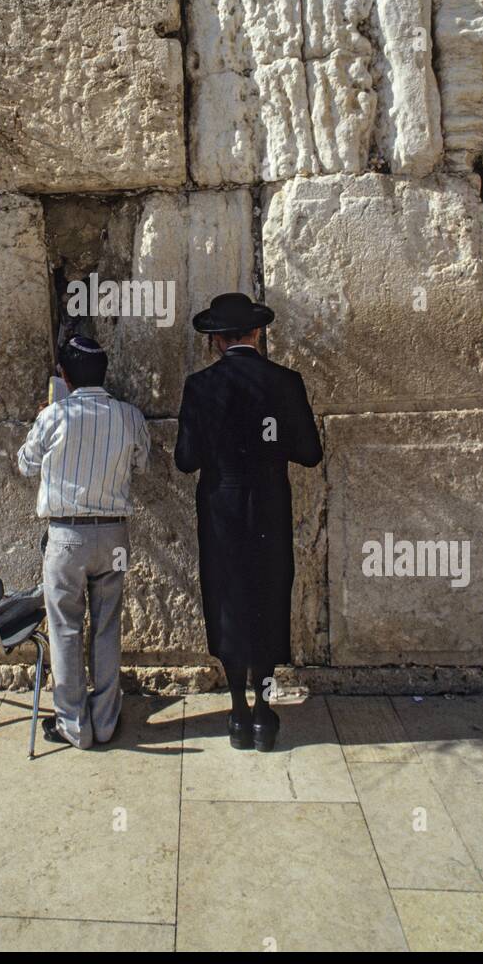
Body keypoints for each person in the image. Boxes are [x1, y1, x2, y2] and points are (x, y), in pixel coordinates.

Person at [174, 293, 322, 751]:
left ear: (216, 339)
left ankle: (237, 712)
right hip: (270, 506)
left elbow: (185, 460)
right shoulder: (286, 382)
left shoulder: (200, 387)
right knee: (267, 594)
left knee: (229, 598)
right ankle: (263, 712)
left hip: (222, 509)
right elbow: (310, 453)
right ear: (256, 333)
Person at [17, 334, 150, 749]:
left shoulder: (54, 416)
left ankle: (74, 724)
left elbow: (24, 465)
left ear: (64, 375)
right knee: (108, 627)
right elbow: (142, 464)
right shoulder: (129, 415)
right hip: (114, 534)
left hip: (67, 535)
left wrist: (44, 417)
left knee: (66, 629)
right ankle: (106, 721)